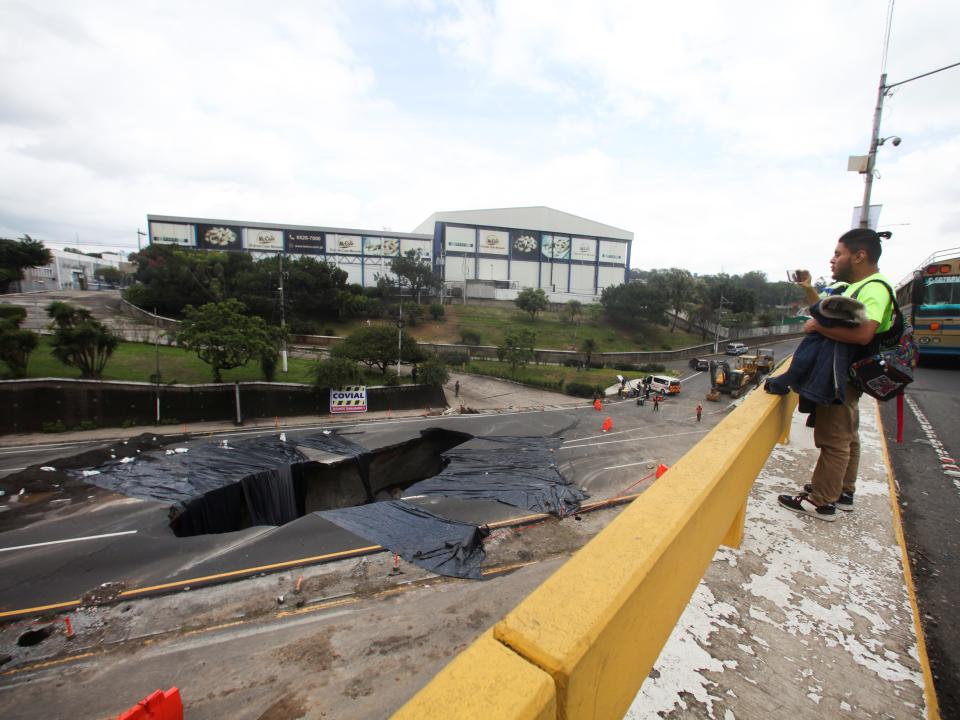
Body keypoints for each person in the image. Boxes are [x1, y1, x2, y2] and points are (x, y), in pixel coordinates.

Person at [777, 228, 895, 522]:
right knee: (847, 437)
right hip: (846, 375)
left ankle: (821, 502)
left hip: (841, 376)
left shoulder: (874, 288)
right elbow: (826, 309)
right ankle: (842, 491)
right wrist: (807, 287)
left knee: (834, 440)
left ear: (859, 256)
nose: (833, 259)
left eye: (838, 253)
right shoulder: (857, 287)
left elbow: (864, 334)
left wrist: (817, 328)